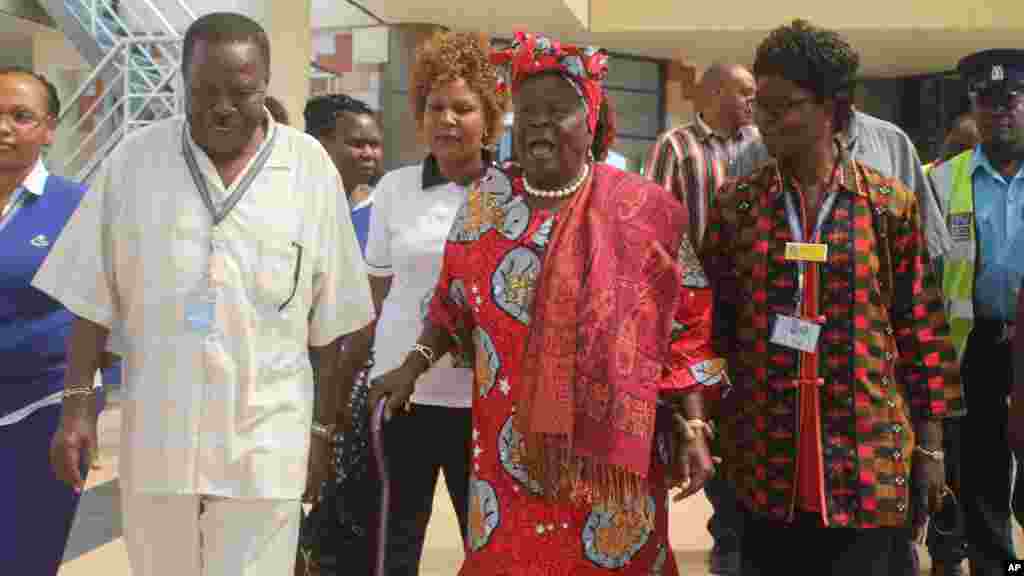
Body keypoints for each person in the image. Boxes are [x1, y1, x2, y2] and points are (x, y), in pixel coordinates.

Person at [32, 12, 374, 576]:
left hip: (267, 439)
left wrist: (321, 433)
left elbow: (336, 317)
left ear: (265, 86)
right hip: (159, 435)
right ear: (182, 83)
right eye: (204, 91)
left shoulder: (309, 168)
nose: (222, 107)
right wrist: (76, 411)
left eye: (241, 93)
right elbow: (92, 295)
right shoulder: (135, 161)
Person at [370, 31, 724, 575]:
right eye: (527, 111)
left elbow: (685, 325)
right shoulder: (487, 202)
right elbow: (450, 305)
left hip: (610, 463)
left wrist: (695, 427)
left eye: (556, 111)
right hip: (509, 458)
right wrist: (410, 366)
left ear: (592, 123)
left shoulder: (643, 209)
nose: (537, 122)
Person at [701, 20, 962, 575]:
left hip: (866, 464)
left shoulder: (887, 205)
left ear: (832, 111)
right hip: (764, 463)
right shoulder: (738, 207)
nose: (763, 119)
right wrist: (707, 427)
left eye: (783, 106)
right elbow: (713, 327)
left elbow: (920, 329)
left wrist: (932, 449)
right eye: (760, 105)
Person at [331, 31, 508, 575]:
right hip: (399, 394)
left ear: (490, 118)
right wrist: (340, 391)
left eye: (463, 108)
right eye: (435, 107)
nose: (447, 120)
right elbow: (376, 299)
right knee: (395, 541)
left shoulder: (509, 193)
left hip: (480, 403)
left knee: (486, 543)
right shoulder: (394, 189)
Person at [0, 66, 118, 574]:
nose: (3, 127)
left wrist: (81, 410)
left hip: (42, 410)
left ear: (49, 129)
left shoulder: (76, 208)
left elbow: (105, 310)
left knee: (26, 555)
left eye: (20, 116)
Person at [929, 49, 1024, 576]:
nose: (1000, 113)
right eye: (989, 103)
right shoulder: (945, 180)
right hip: (977, 346)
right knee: (983, 466)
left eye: (1011, 100)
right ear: (974, 110)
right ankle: (996, 566)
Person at [645, 63, 766, 252]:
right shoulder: (674, 144)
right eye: (745, 93)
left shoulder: (762, 143)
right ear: (716, 94)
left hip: (751, 276)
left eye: (754, 95)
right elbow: (654, 217)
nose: (753, 101)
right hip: (695, 277)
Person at [304, 93, 383, 255]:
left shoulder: (381, 211)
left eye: (374, 144)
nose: (368, 154)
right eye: (357, 144)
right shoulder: (292, 207)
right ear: (319, 144)